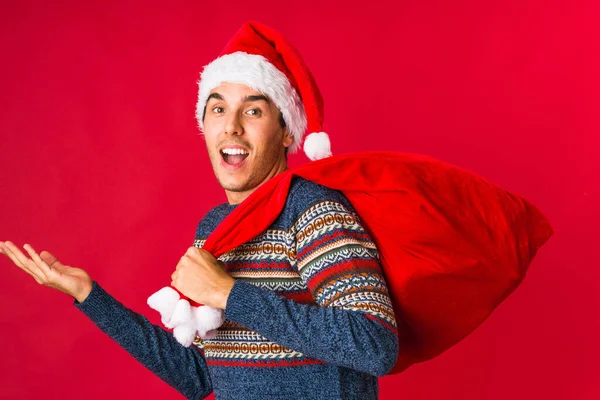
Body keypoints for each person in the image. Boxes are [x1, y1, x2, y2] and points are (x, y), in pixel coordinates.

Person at [0, 21, 399, 400]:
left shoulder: (313, 210)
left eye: (254, 110)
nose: (232, 127)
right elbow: (198, 376)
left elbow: (374, 344)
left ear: (287, 131)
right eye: (219, 109)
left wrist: (228, 293)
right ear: (204, 124)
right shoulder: (214, 229)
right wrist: (89, 296)